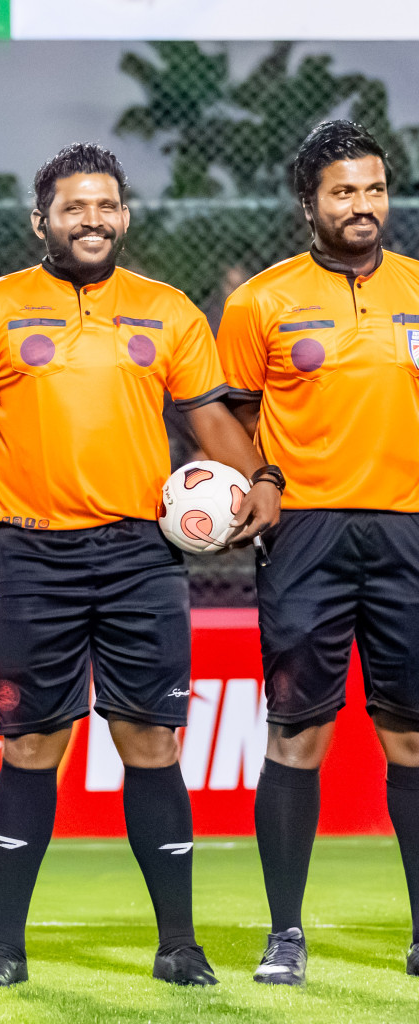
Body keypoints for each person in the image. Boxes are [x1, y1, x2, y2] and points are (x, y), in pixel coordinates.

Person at [0, 143, 281, 988]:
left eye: (105, 206)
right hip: (28, 549)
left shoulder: (166, 311)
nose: (91, 220)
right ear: (41, 220)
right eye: (72, 207)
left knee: (151, 741)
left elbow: (209, 420)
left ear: (124, 215)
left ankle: (179, 944)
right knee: (31, 745)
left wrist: (263, 478)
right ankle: (6, 947)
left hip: (141, 554)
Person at [216, 120, 419, 985]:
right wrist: (253, 485)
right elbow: (224, 416)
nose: (364, 205)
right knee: (297, 730)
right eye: (345, 191)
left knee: (411, 737)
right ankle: (285, 933)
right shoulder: (260, 300)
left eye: (375, 189)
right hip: (305, 535)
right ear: (310, 204)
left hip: (411, 530)